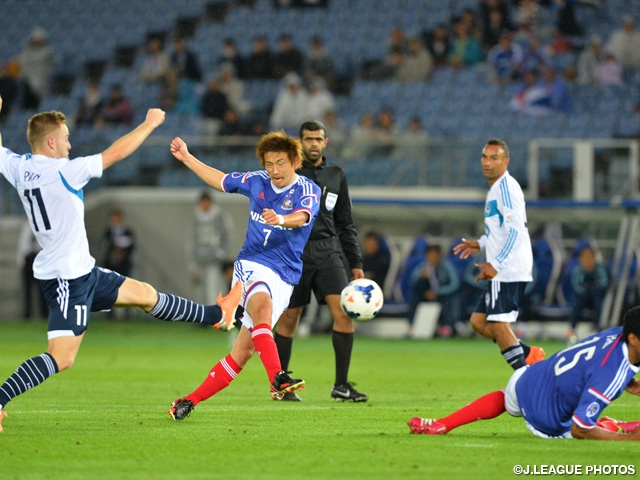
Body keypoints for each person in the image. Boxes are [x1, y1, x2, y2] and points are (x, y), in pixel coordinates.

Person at [0, 98, 242, 433]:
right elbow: (116, 153)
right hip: (66, 279)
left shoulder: (18, 166)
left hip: (81, 270)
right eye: (66, 138)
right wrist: (149, 124)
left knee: (144, 294)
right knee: (61, 357)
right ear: (51, 141)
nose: (70, 144)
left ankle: (218, 316)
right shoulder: (63, 170)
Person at [167, 130, 321, 420]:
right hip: (252, 264)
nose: (274, 170)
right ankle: (278, 378)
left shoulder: (308, 190)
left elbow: (303, 216)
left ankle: (188, 401)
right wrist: (187, 157)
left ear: (295, 161)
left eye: (280, 163)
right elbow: (220, 180)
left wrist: (282, 220)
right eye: (269, 163)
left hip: (285, 275)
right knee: (262, 309)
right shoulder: (256, 181)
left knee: (242, 354)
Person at [408, 306, 640, 440]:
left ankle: (442, 424)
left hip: (531, 378)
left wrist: (627, 379)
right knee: (584, 424)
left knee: (507, 394)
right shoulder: (611, 375)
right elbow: (580, 430)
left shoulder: (616, 333)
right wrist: (627, 439)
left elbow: (599, 362)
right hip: (548, 420)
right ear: (633, 338)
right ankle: (615, 425)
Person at [273, 120, 367, 403]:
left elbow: (345, 223)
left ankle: (341, 386)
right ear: (298, 143)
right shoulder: (289, 173)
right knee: (289, 318)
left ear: (326, 143)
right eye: (308, 139)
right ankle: (281, 385)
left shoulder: (336, 175)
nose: (313, 143)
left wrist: (356, 264)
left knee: (344, 314)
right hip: (294, 251)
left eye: (318, 139)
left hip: (328, 251)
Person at [453, 139, 544, 370]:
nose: (487, 162)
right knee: (479, 322)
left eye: (494, 158)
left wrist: (496, 263)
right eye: (484, 157)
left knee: (498, 324)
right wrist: (482, 243)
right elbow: (503, 230)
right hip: (508, 267)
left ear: (506, 161)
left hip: (507, 269)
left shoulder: (504, 188)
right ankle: (528, 353)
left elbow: (515, 232)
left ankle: (526, 380)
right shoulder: (498, 188)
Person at [188, 191, 234, 305]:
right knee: (201, 290)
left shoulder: (220, 217)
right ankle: (203, 316)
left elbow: (229, 235)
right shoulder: (196, 219)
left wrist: (222, 251)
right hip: (200, 259)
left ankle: (215, 314)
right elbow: (191, 241)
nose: (205, 205)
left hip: (215, 260)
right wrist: (192, 263)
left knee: (214, 287)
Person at [407, 244, 461, 338]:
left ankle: (447, 328)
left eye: (435, 255)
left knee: (451, 300)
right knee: (414, 298)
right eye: (430, 255)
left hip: (442, 294)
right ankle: (412, 327)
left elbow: (454, 284)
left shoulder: (446, 266)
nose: (433, 257)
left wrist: (438, 291)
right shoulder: (422, 267)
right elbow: (412, 283)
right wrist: (421, 278)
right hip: (426, 295)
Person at [567, 246, 609, 343]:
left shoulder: (599, 269)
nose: (588, 260)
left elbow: (604, 282)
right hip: (582, 296)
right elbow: (575, 285)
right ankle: (572, 330)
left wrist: (595, 288)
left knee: (599, 304)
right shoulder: (577, 269)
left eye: (590, 257)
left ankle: (596, 329)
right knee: (576, 305)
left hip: (595, 295)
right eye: (585, 257)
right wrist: (584, 290)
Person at [102, 209, 136, 320]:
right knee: (108, 289)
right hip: (110, 265)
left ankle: (127, 314)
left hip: (124, 265)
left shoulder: (128, 232)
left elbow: (132, 247)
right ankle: (109, 315)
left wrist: (122, 253)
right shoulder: (107, 232)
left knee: (127, 288)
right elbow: (104, 247)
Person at [16, 220, 47, 319]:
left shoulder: (44, 224)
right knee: (27, 290)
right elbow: (22, 245)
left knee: (42, 291)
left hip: (40, 257)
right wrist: (21, 262)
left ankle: (44, 314)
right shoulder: (27, 225)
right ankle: (27, 314)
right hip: (29, 259)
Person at [17, 28, 54, 110]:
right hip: (27, 79)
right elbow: (22, 63)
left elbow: (42, 67)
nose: (37, 42)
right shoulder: (27, 52)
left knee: (34, 90)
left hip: (41, 79)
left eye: (39, 40)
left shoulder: (47, 51)